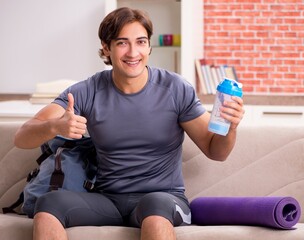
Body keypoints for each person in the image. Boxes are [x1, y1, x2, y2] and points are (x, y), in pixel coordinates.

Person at [14, 7, 244, 240]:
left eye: (141, 42)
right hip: (107, 199)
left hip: (163, 199)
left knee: (154, 208)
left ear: (149, 47)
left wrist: (231, 127)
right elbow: (22, 137)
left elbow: (217, 151)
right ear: (106, 47)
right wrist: (55, 127)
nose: (133, 52)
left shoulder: (175, 89)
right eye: (123, 43)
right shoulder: (87, 90)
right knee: (48, 203)